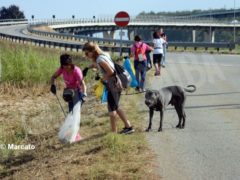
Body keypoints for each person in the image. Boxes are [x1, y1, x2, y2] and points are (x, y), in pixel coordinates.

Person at [82, 42, 134, 134]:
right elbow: (103, 66)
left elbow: (111, 71)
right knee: (116, 106)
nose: (86, 55)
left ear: (93, 51)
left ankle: (114, 134)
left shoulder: (99, 59)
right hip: (116, 83)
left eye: (87, 53)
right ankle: (128, 127)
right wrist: (87, 67)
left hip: (113, 84)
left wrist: (102, 79)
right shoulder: (104, 54)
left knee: (111, 110)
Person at [50, 53, 87, 142]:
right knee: (71, 113)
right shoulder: (62, 69)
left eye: (67, 66)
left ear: (71, 63)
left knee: (75, 114)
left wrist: (84, 94)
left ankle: (76, 134)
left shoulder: (76, 71)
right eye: (64, 66)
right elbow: (53, 77)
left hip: (78, 92)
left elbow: (82, 84)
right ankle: (72, 132)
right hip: (69, 93)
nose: (66, 68)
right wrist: (52, 85)